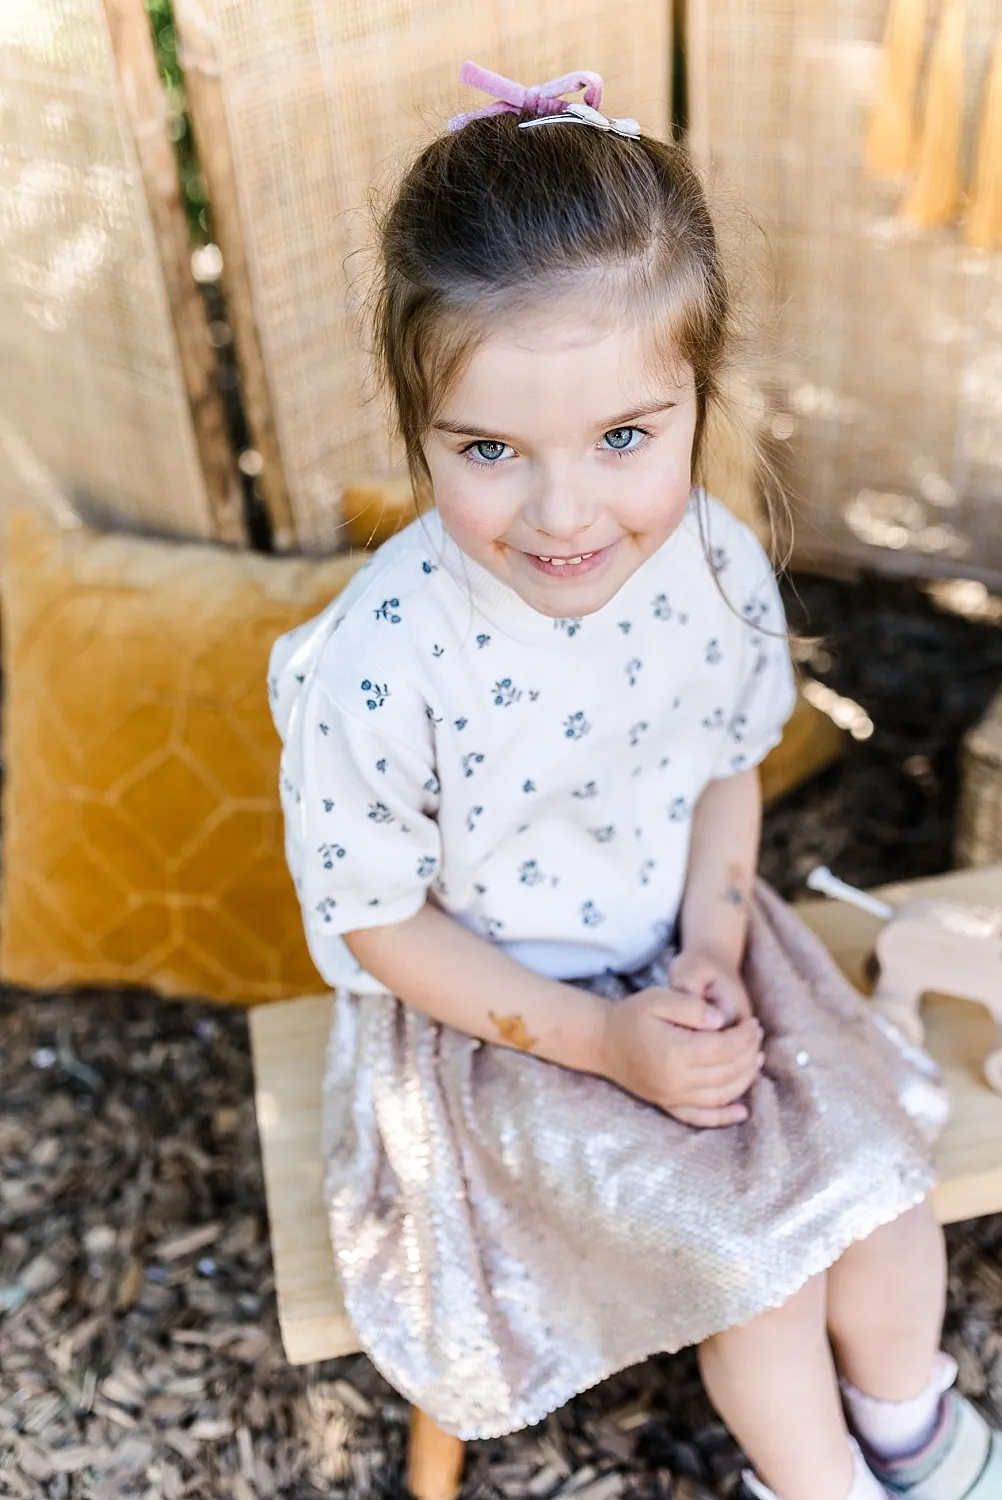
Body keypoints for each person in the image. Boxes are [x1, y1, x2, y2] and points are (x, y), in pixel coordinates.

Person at [269, 63, 999, 1500]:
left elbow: (725, 773)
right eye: (489, 450)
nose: (564, 514)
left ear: (693, 398)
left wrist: (713, 951)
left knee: (879, 1192)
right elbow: (380, 925)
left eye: (621, 437)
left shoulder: (709, 561)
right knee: (768, 1275)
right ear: (412, 423)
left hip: (691, 936)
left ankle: (914, 1429)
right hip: (496, 1019)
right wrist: (608, 1043)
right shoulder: (380, 661)